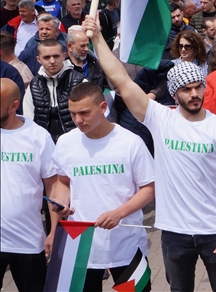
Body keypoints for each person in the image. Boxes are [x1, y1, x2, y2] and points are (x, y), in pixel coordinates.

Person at [80, 14, 216, 292]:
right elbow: (121, 79)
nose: (194, 94)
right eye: (186, 89)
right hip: (173, 233)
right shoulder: (160, 119)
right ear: (174, 92)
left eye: (198, 87)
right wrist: (97, 37)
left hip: (215, 231)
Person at [50, 83, 155, 292]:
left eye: (84, 113)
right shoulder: (65, 143)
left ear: (102, 108)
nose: (78, 120)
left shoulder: (130, 142)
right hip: (82, 245)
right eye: (72, 114)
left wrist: (118, 213)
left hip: (126, 244)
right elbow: (62, 182)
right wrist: (61, 201)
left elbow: (150, 188)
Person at [0, 78, 59, 292]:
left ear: (14, 105)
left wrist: (54, 231)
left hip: (28, 242)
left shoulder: (37, 136)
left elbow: (54, 187)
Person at [22, 39, 86, 141]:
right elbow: (28, 119)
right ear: (38, 59)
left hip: (76, 140)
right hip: (43, 141)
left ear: (64, 56)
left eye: (56, 56)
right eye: (46, 57)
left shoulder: (80, 81)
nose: (52, 61)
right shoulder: (34, 85)